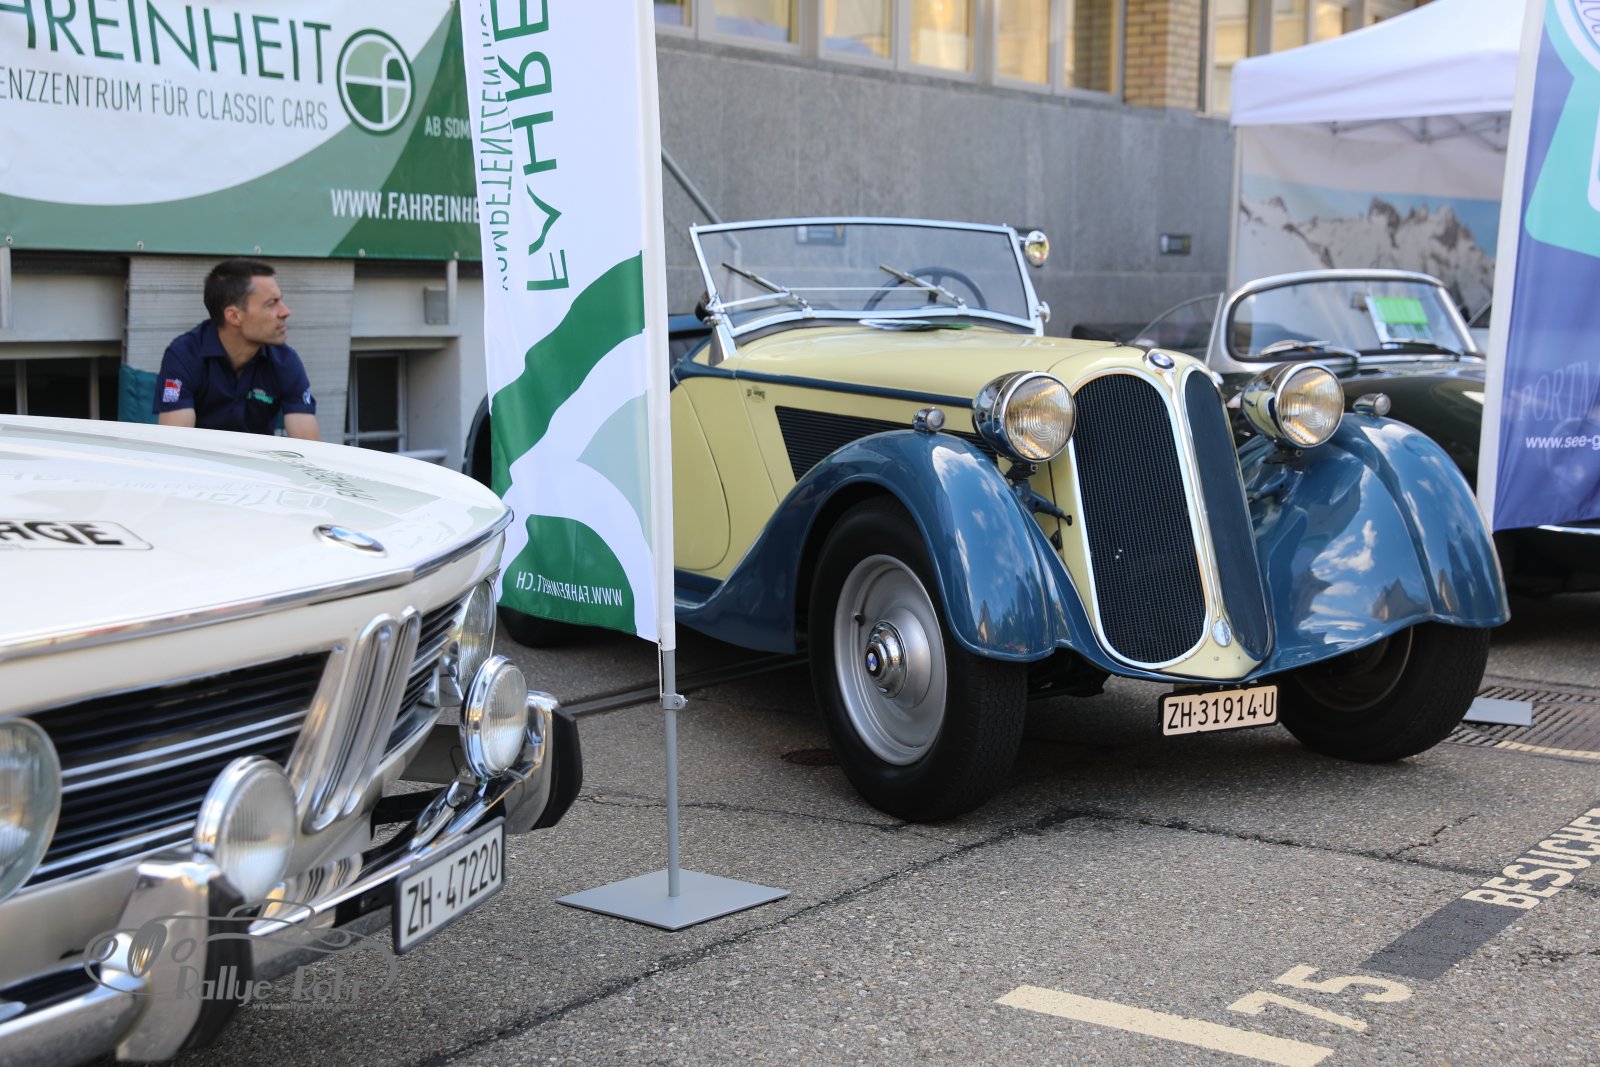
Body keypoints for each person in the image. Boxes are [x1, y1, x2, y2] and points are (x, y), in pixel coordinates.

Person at [154, 259, 320, 439]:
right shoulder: (184, 355)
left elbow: (308, 446)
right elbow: (176, 444)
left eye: (281, 300)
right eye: (272, 303)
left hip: (257, 457)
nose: (285, 311)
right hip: (199, 457)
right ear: (234, 316)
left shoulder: (285, 360)